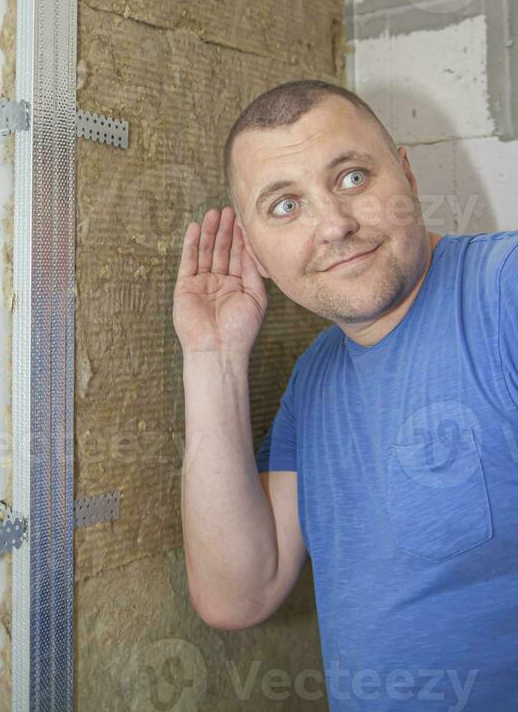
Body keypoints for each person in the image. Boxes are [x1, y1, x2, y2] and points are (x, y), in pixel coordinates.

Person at [173, 79, 518, 711]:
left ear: (406, 175)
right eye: (285, 206)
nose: (334, 224)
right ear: (254, 253)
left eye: (353, 177)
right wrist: (213, 359)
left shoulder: (503, 293)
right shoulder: (316, 378)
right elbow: (238, 594)